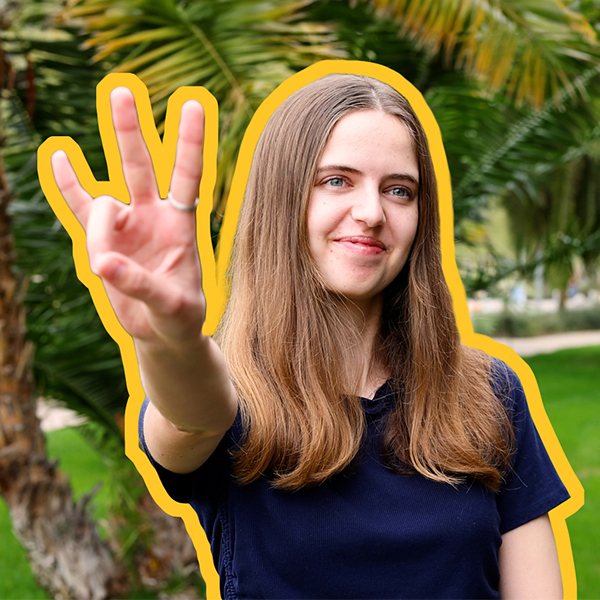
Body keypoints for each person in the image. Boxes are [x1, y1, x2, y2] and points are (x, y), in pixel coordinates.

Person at [50, 69, 569, 599]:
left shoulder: (489, 392)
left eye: (399, 190)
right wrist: (170, 338)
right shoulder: (232, 395)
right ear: (282, 199)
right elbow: (190, 414)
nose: (371, 213)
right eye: (336, 181)